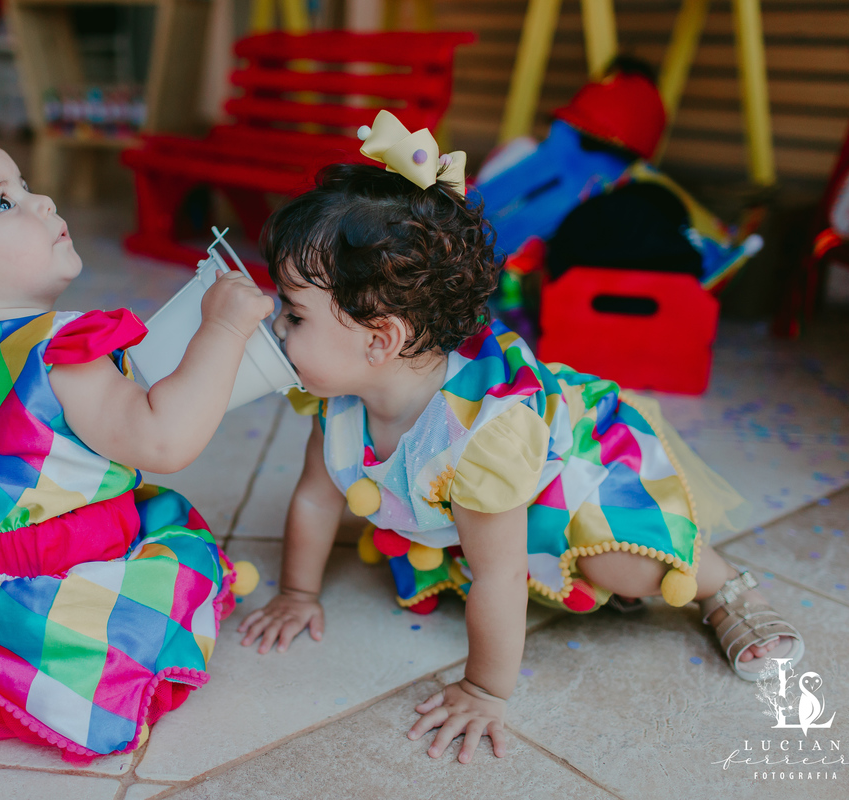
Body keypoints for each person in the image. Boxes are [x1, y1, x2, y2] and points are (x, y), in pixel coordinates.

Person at [236, 112, 804, 764]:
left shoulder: (477, 440)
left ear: (381, 339)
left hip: (577, 461)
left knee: (626, 568)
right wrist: (296, 593)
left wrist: (484, 688)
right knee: (483, 533)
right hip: (491, 498)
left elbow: (498, 576)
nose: (276, 326)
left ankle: (725, 585)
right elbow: (315, 496)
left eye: (294, 313)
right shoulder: (336, 397)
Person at [0, 131, 274, 762]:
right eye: (4, 203)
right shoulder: (60, 354)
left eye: (24, 187)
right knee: (173, 557)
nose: (43, 202)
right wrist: (223, 328)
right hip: (55, 583)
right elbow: (163, 438)